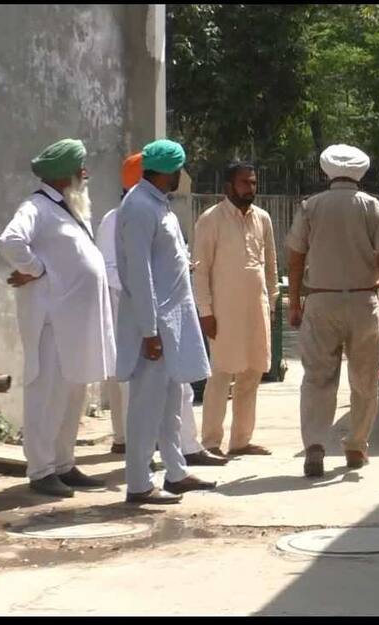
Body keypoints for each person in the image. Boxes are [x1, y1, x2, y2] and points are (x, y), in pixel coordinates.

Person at [0, 139, 115, 498]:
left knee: (72, 394)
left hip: (75, 325)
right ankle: (41, 470)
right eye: (80, 167)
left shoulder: (68, 208)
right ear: (65, 173)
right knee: (46, 394)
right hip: (50, 323)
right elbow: (10, 240)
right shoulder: (37, 207)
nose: (86, 173)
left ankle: (64, 463)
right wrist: (35, 269)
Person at [286, 144, 379, 478]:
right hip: (362, 302)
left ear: (327, 171)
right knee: (365, 378)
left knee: (317, 377)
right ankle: (355, 446)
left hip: (320, 301)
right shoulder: (372, 207)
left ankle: (314, 445)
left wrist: (294, 302)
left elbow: (295, 258)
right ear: (361, 172)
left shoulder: (311, 207)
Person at [116, 139, 216, 504]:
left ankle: (175, 472)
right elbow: (139, 274)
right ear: (165, 171)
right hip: (154, 325)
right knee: (145, 406)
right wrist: (149, 331)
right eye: (178, 170)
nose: (180, 176)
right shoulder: (139, 207)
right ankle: (139, 484)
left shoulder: (159, 205)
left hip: (173, 322)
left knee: (172, 402)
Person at [194, 161, 278, 457]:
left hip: (257, 308)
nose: (250, 189)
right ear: (228, 186)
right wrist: (205, 312)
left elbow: (270, 265)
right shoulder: (210, 220)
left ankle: (241, 441)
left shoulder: (262, 218)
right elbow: (200, 272)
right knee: (220, 374)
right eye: (245, 183)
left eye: (253, 183)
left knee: (252, 372)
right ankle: (211, 443)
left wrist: (272, 302)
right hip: (223, 312)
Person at [99, 153, 142, 455]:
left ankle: (135, 435)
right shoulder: (112, 220)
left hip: (145, 303)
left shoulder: (150, 214)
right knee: (124, 373)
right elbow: (107, 269)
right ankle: (125, 437)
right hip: (122, 304)